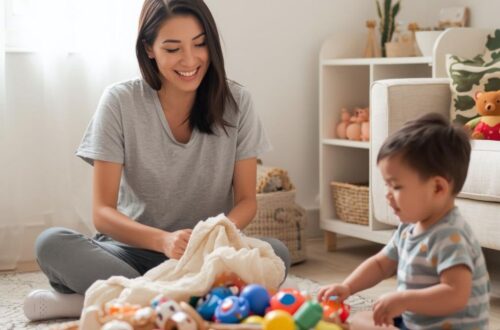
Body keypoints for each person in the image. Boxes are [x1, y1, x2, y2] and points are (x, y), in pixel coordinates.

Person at [23, 0, 290, 321]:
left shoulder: (238, 103)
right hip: (129, 252)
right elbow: (103, 214)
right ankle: (189, 301)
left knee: (276, 253)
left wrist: (209, 240)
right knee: (52, 243)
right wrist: (163, 241)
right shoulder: (119, 101)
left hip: (206, 255)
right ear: (149, 49)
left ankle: (105, 301)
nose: (190, 60)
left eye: (200, 43)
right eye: (173, 48)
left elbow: (247, 200)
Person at [318, 113, 490, 330]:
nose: (388, 195)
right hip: (416, 321)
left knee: (359, 324)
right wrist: (347, 287)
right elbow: (381, 264)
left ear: (438, 188)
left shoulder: (450, 235)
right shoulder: (409, 227)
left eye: (396, 186)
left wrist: (405, 299)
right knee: (361, 319)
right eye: (387, 185)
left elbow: (456, 294)